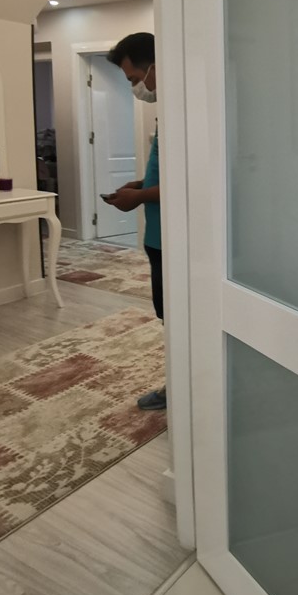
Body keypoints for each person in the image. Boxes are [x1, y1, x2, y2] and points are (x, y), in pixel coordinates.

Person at [105, 32, 166, 412]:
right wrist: (141, 185)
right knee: (168, 315)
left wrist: (140, 197)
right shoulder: (169, 110)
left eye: (133, 79)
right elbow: (168, 171)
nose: (134, 88)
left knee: (177, 317)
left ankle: (179, 386)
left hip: (172, 240)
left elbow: (191, 183)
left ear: (154, 68)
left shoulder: (185, 112)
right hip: (158, 235)